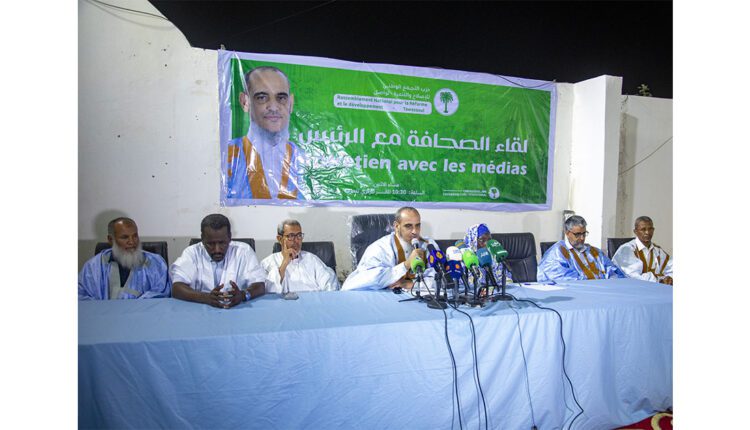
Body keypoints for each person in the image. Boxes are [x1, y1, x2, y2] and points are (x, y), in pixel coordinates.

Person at [226, 66, 307, 200]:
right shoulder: (226, 157)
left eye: (281, 98)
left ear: (291, 103)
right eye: (262, 97)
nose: (274, 107)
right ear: (245, 102)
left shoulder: (304, 159)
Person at [170, 214, 266, 308]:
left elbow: (260, 286)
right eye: (210, 244)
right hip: (200, 311)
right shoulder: (192, 253)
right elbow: (177, 288)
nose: (217, 250)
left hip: (237, 311)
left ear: (229, 237)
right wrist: (206, 298)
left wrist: (243, 295)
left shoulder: (244, 251)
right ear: (202, 239)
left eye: (222, 243)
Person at [342, 207, 436, 292]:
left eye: (417, 225)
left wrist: (410, 284)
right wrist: (406, 265)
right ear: (396, 226)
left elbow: (439, 279)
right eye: (408, 226)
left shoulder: (428, 245)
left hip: (421, 298)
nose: (415, 231)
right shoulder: (379, 248)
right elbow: (365, 281)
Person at [78, 217, 170, 300]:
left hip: (143, 313)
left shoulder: (156, 263)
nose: (132, 242)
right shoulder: (94, 266)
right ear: (111, 240)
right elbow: (81, 296)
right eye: (125, 237)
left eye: (135, 236)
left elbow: (161, 294)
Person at [537, 215, 625, 282]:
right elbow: (561, 278)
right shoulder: (557, 252)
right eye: (577, 234)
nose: (582, 238)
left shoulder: (594, 252)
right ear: (567, 233)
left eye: (584, 234)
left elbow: (613, 271)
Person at [261, 219, 339, 293]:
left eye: (299, 235)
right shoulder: (268, 262)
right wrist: (284, 263)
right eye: (291, 236)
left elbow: (330, 283)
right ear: (280, 239)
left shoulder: (311, 259)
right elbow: (268, 291)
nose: (296, 240)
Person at [612, 216, 673, 285]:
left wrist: (669, 278)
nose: (647, 232)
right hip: (631, 288)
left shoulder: (657, 250)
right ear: (635, 231)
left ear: (653, 230)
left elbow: (671, 268)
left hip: (654, 288)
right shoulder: (626, 249)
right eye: (643, 229)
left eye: (650, 229)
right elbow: (634, 277)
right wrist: (660, 280)